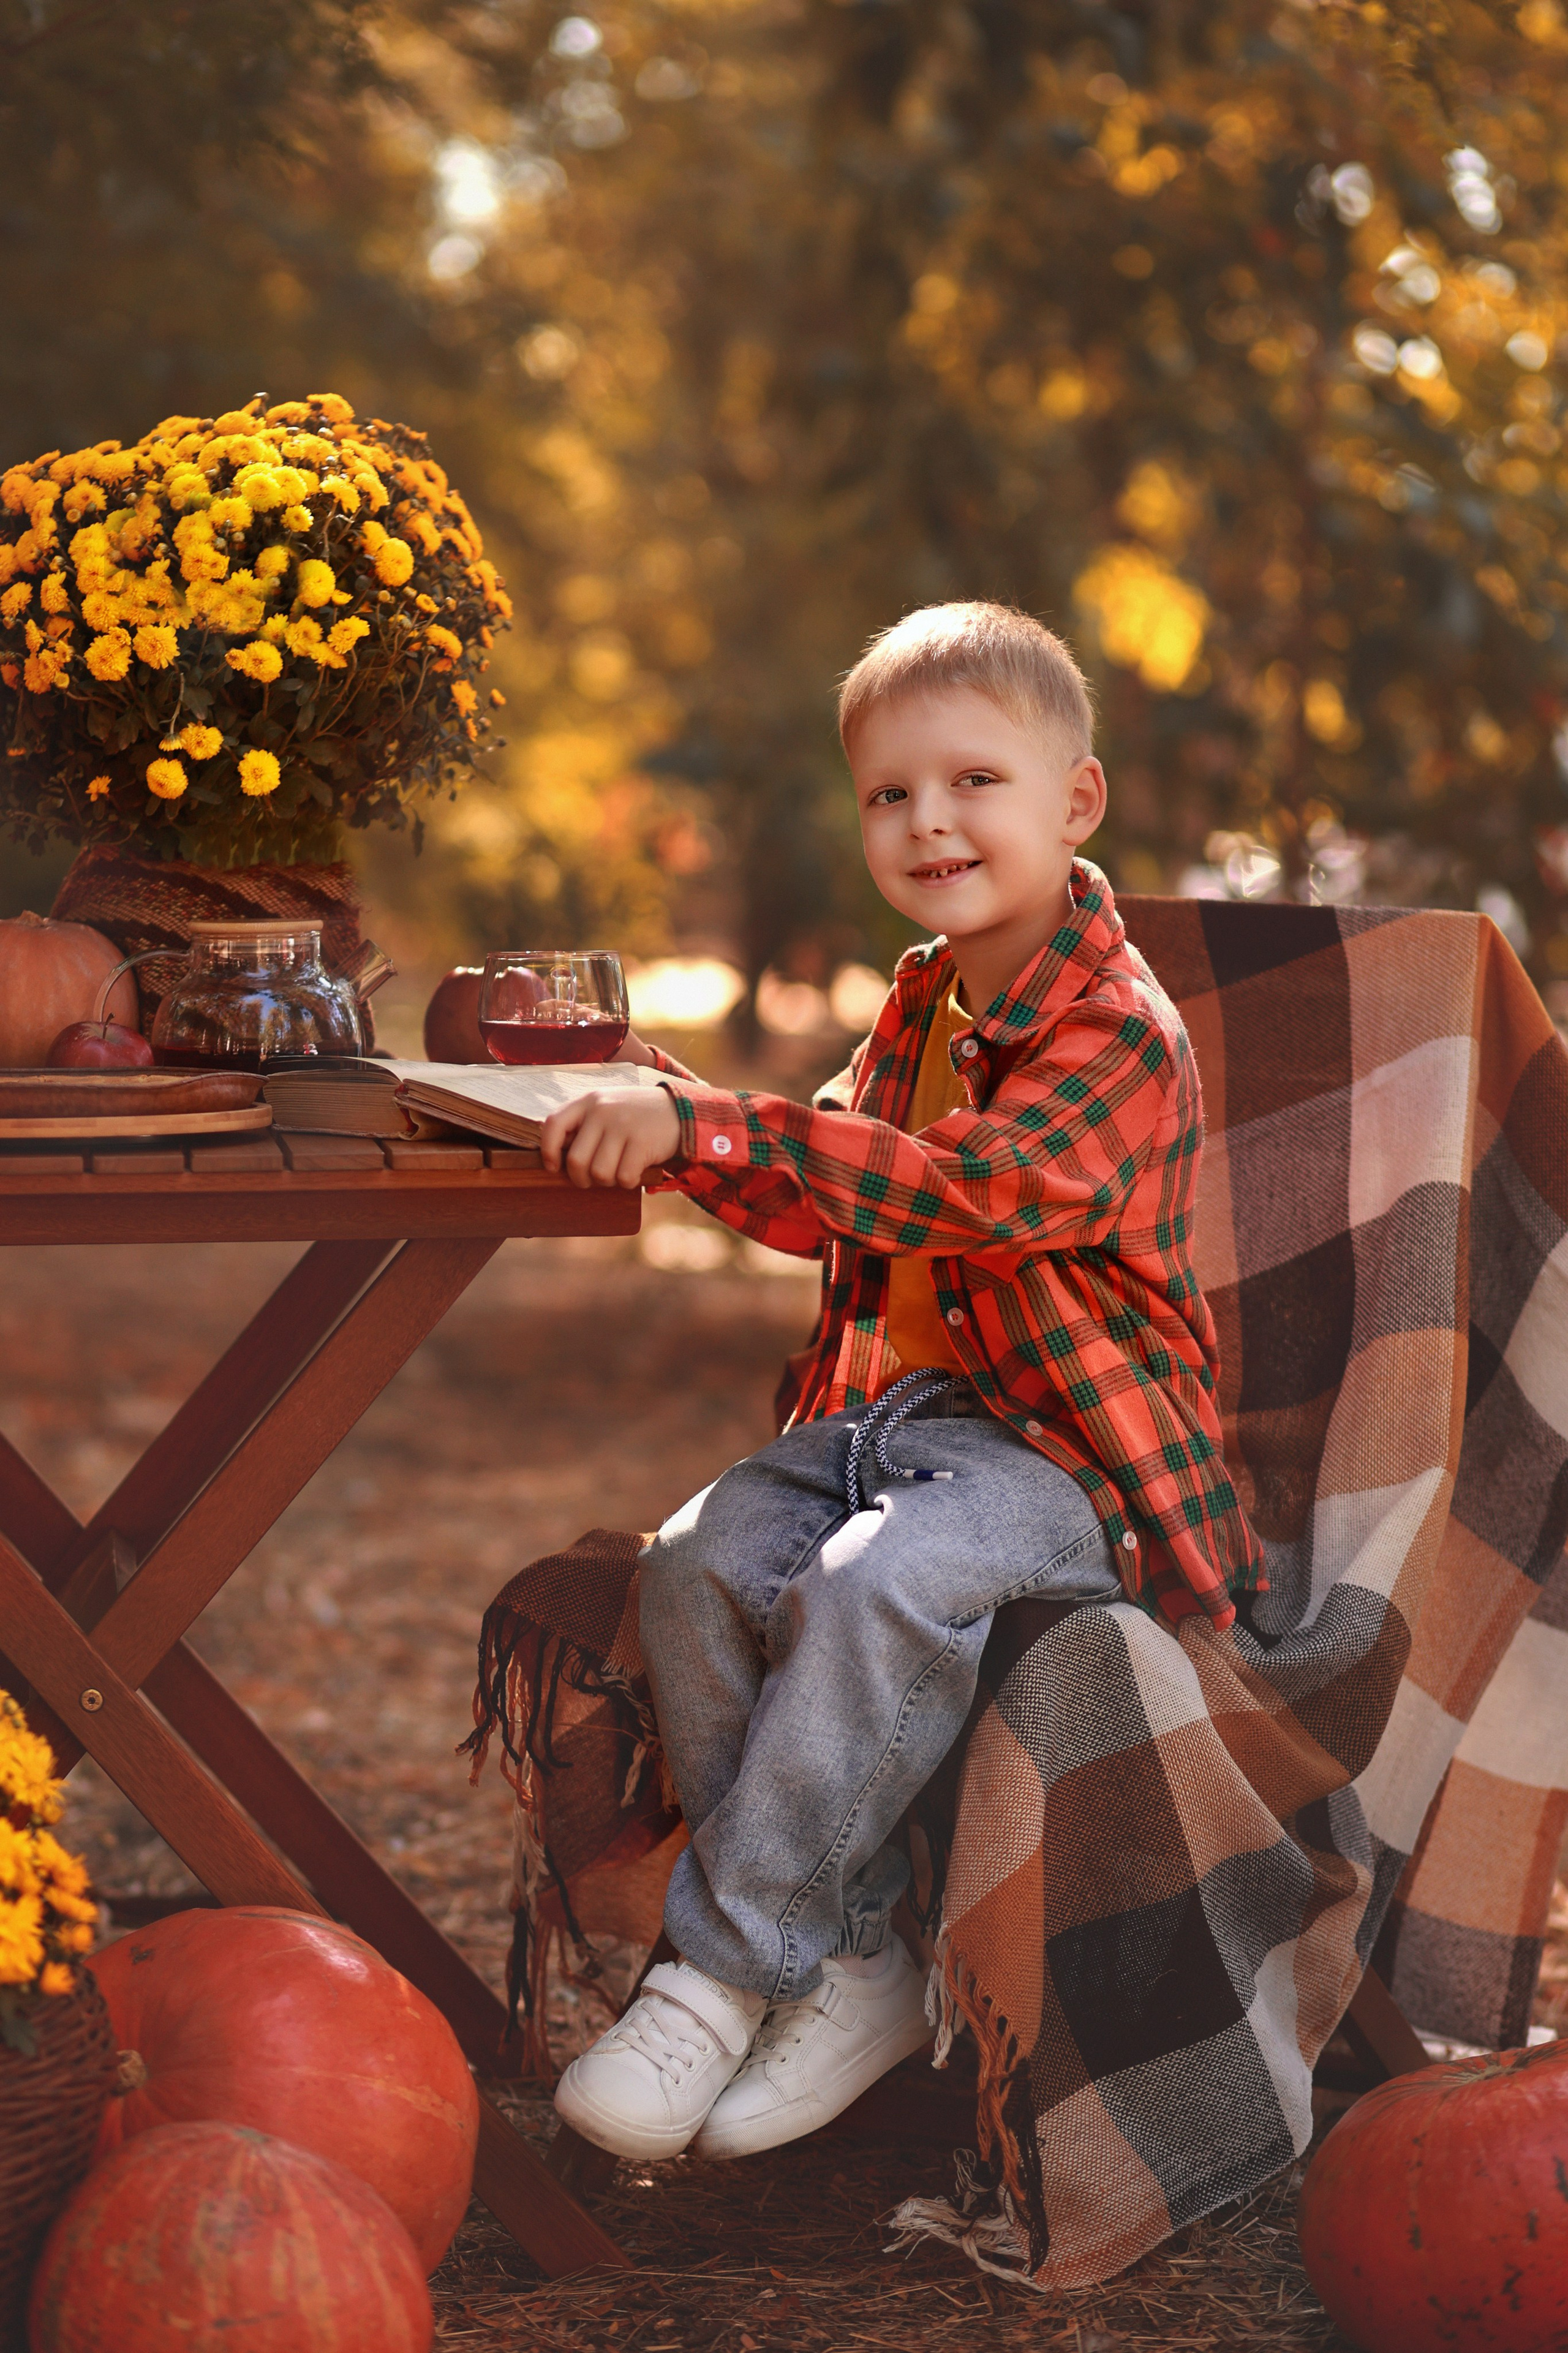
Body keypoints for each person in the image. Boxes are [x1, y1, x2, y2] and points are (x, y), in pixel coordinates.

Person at [536, 600, 1264, 2166]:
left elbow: (967, 1195)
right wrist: (660, 1101)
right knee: (695, 1567)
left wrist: (719, 1124)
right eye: (886, 793)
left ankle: (719, 1971)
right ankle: (853, 1950)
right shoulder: (922, 1001)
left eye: (972, 782)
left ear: (1076, 802)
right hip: (892, 1431)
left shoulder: (1116, 1030)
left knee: (874, 1586)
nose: (927, 820)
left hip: (1060, 1461)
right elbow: (822, 1193)